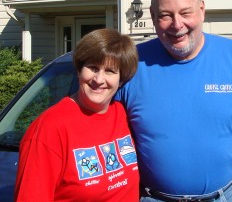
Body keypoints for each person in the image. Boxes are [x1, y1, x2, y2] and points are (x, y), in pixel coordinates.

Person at [115, 0, 232, 202]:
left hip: (226, 197)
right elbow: (95, 126)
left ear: (202, 10)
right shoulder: (131, 65)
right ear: (152, 16)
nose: (177, 24)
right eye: (165, 15)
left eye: (185, 12)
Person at [15, 29, 140, 201]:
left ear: (121, 79)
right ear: (79, 70)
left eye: (110, 71)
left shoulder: (124, 115)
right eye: (93, 68)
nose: (99, 79)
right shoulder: (49, 128)